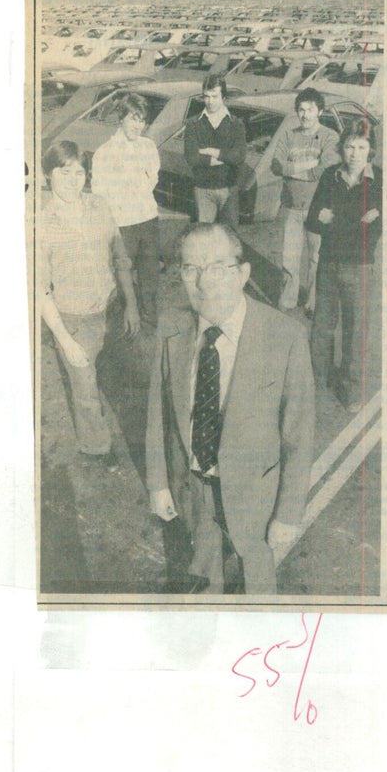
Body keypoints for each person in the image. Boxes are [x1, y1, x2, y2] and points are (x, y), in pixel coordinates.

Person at [145, 222, 314, 594]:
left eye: (218, 267)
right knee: (200, 579)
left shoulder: (285, 336)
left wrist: (288, 513)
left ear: (243, 274)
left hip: (256, 497)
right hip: (190, 488)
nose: (204, 283)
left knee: (253, 585)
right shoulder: (172, 327)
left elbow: (298, 435)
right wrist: (158, 483)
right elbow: (158, 415)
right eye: (191, 269)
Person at [39, 141, 140, 472]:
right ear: (47, 175)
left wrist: (132, 306)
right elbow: (40, 290)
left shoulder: (99, 205)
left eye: (79, 172)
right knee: (85, 395)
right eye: (64, 172)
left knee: (123, 382)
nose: (73, 179)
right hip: (74, 322)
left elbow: (120, 258)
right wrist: (65, 340)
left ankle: (135, 439)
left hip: (111, 310)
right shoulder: (40, 222)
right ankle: (97, 449)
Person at [306, 124, 382, 413]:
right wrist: (356, 219)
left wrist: (333, 219)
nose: (354, 153)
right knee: (322, 327)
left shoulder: (378, 182)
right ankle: (318, 381)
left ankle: (351, 390)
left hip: (359, 266)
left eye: (361, 147)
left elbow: (373, 232)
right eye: (350, 146)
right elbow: (313, 219)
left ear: (370, 151)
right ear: (342, 148)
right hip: (328, 262)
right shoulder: (329, 176)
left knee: (355, 330)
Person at [90, 91, 161, 326]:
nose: (138, 126)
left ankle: (150, 325)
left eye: (142, 120)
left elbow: (152, 181)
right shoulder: (105, 153)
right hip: (123, 227)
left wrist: (132, 188)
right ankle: (127, 328)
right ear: (121, 118)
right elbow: (102, 195)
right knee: (124, 282)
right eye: (133, 118)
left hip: (148, 221)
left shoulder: (149, 147)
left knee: (150, 280)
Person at [270, 87, 340, 313]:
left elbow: (323, 171)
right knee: (289, 258)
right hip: (290, 207)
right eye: (301, 110)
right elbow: (276, 166)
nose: (305, 115)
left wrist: (292, 169)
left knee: (316, 258)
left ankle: (312, 302)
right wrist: (307, 165)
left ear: (320, 111)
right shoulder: (288, 135)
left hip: (317, 207)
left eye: (310, 110)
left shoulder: (330, 137)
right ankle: (288, 300)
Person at [183, 75, 246, 225]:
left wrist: (211, 151)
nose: (210, 101)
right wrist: (225, 157)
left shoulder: (236, 124)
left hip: (228, 189)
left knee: (229, 237)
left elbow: (239, 156)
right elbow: (192, 158)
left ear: (224, 98)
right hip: (202, 190)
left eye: (215, 97)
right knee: (204, 237)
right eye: (207, 97)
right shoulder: (193, 124)